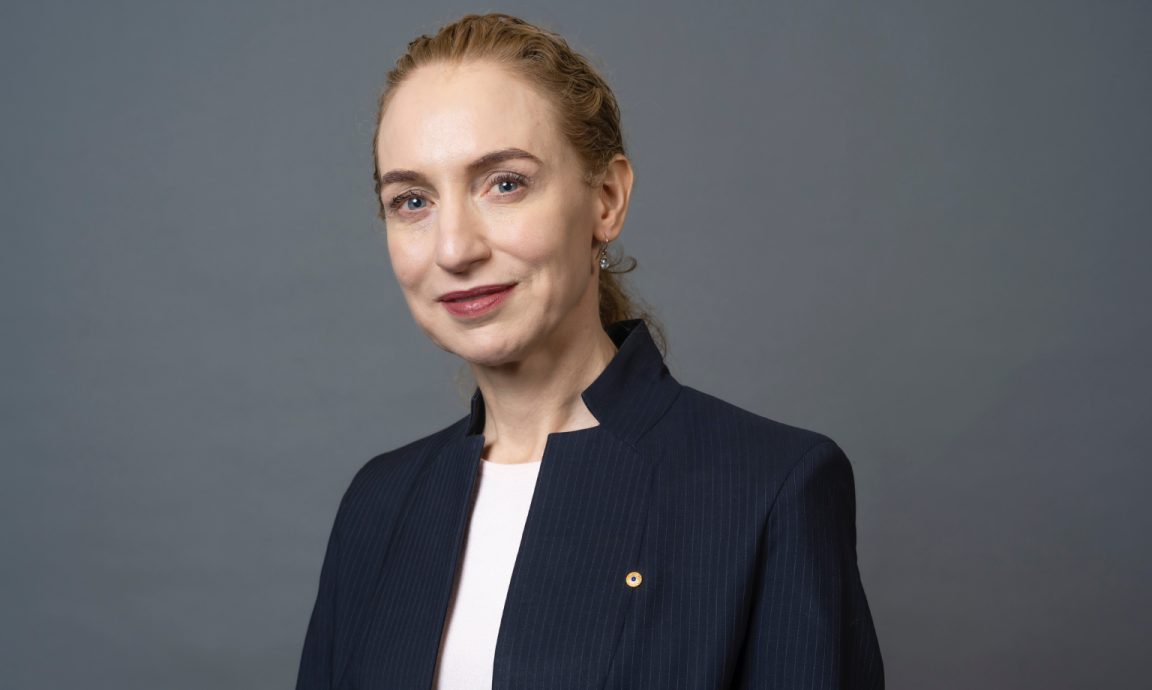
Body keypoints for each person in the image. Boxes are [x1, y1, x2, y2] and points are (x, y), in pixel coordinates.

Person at [296, 13, 883, 690]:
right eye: (412, 200)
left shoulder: (772, 488)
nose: (454, 248)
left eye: (505, 183)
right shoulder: (379, 502)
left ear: (606, 199)